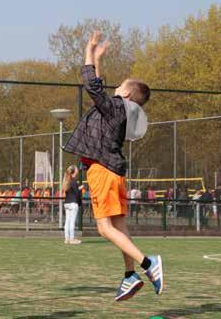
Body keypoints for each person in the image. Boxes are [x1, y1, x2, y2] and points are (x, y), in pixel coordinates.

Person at [62, 30, 162, 301]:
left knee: (105, 228)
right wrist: (97, 58)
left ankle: (148, 264)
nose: (114, 89)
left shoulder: (117, 107)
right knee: (118, 226)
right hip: (113, 170)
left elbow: (93, 87)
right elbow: (100, 88)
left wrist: (88, 50)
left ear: (126, 93)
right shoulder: (119, 109)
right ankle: (130, 275)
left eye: (119, 87)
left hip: (102, 170)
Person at [62, 165, 84, 244]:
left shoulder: (67, 180)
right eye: (76, 169)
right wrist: (80, 188)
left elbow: (72, 191)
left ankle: (66, 239)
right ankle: (72, 239)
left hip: (67, 203)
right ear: (74, 172)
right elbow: (76, 193)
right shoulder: (73, 181)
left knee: (67, 221)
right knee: (72, 222)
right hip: (73, 203)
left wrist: (78, 188)